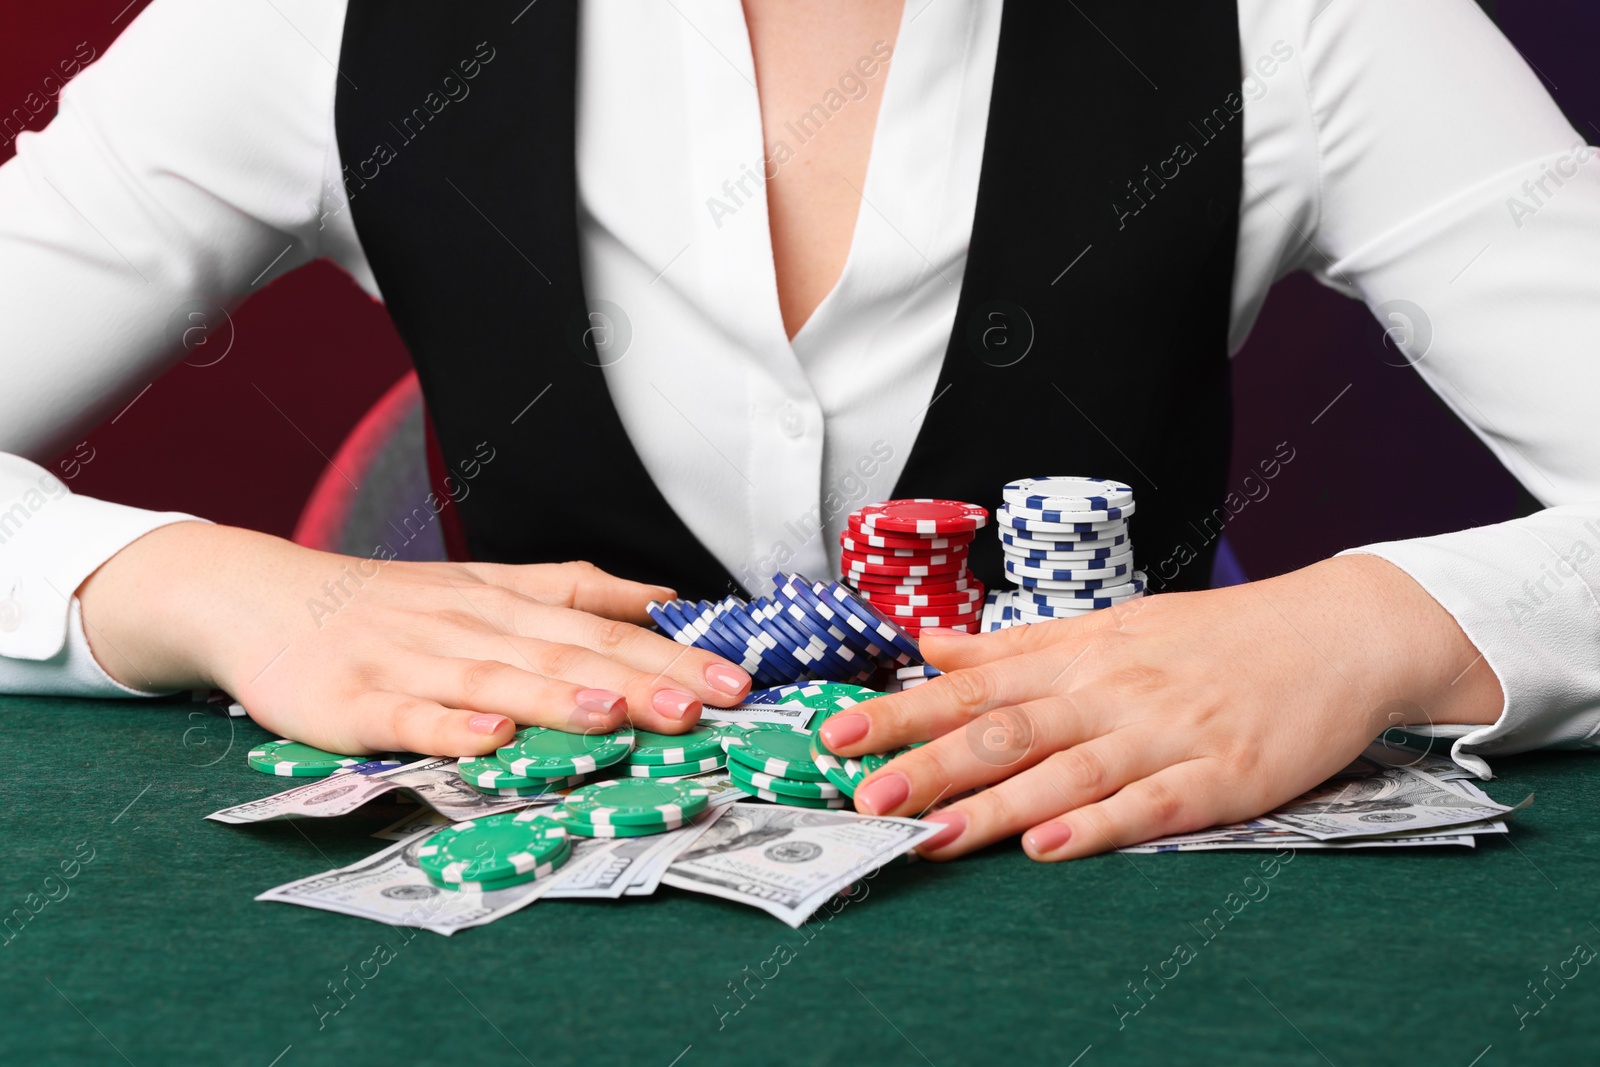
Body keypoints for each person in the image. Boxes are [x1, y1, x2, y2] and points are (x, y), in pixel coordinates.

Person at [1, 0, 1597, 864]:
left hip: (1117, 923)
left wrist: (1383, 626)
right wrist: (194, 586)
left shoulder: (1314, 19)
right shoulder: (302, 18)